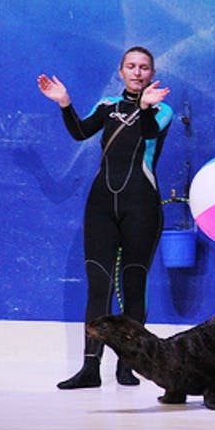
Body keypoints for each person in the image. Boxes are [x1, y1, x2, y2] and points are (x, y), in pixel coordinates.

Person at [37, 46, 173, 389]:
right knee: (99, 285)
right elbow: (80, 132)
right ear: (121, 71)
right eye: (131, 66)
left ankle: (128, 366)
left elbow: (148, 133)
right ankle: (89, 368)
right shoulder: (106, 106)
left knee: (133, 285)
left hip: (141, 207)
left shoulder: (162, 109)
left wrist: (145, 107)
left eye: (144, 67)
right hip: (101, 206)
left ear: (152, 73)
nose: (137, 72)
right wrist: (65, 103)